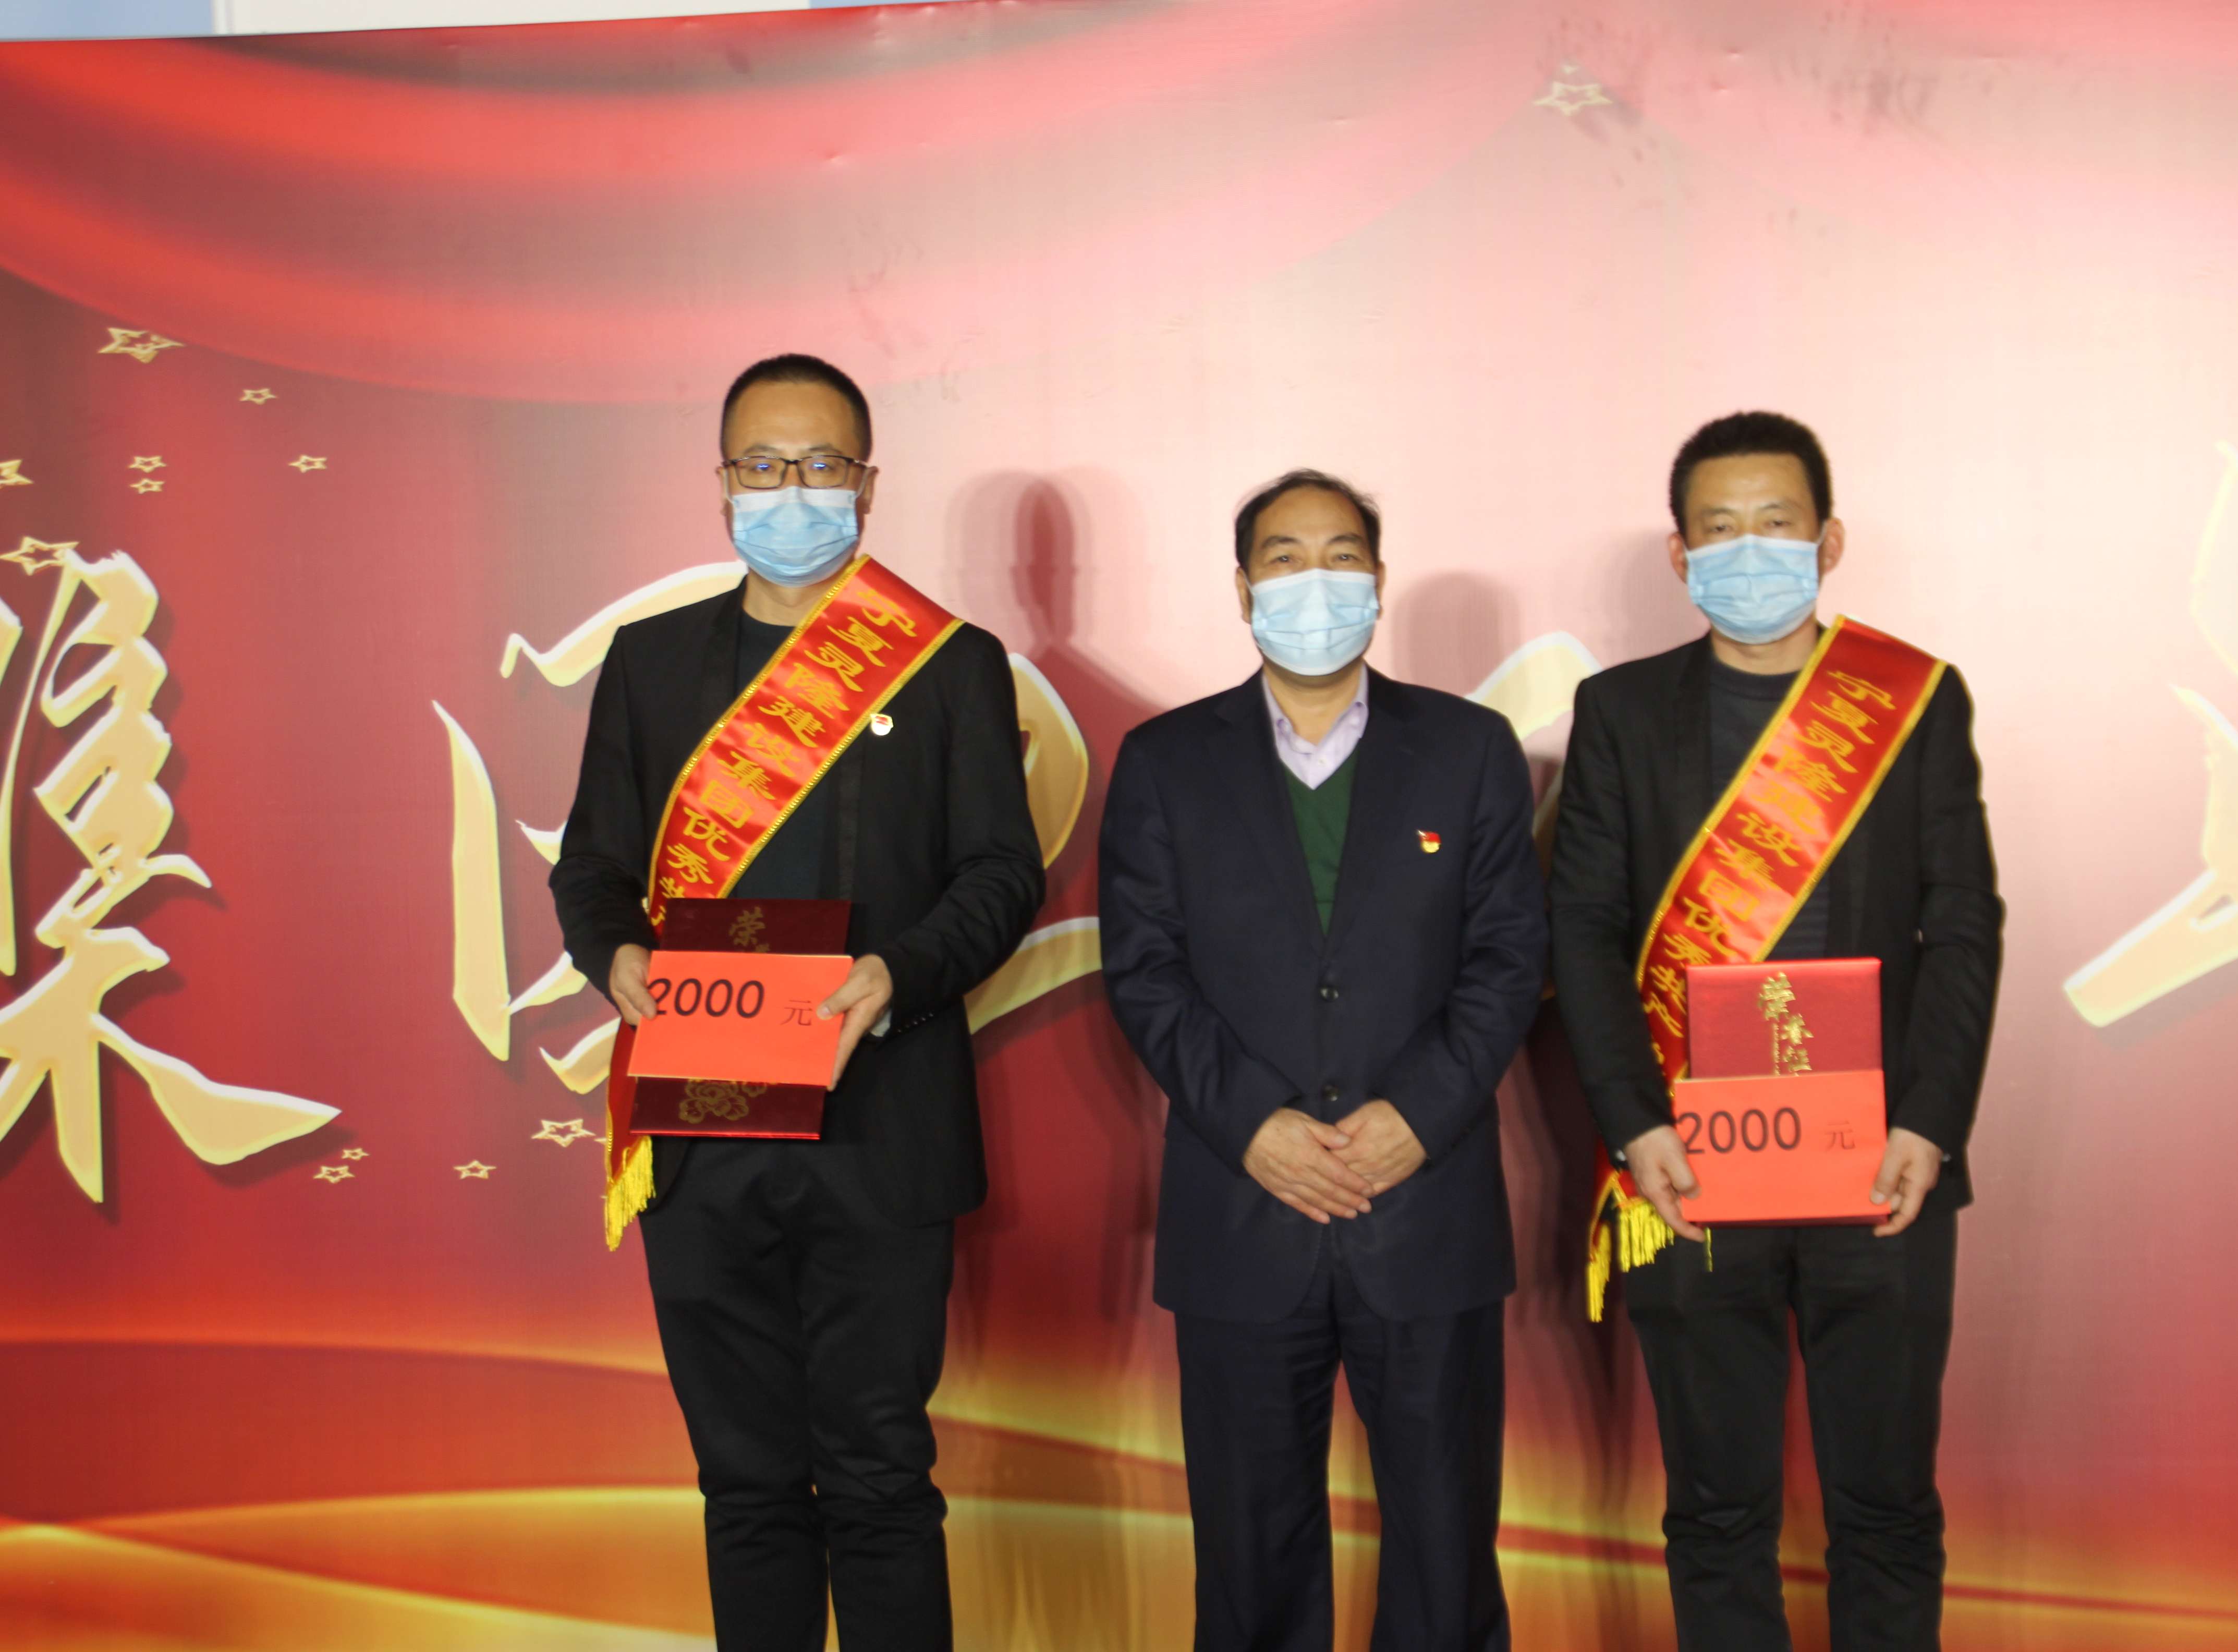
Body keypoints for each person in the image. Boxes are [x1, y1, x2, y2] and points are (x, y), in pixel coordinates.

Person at [551, 354, 1044, 1652]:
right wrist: (617, 957)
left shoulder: (948, 665)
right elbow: (591, 869)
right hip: (700, 1128)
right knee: (746, 1482)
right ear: (722, 483)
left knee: (880, 1475)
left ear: (867, 484)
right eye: (763, 466)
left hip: (883, 1123)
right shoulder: (652, 665)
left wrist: (902, 973)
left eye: (821, 465)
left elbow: (1003, 873)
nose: (792, 491)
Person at [1549, 412, 2002, 1650]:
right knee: (1716, 1512)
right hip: (1689, 1166)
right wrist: (1635, 1126)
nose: (1749, 552)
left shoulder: (1911, 701)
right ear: (1681, 555)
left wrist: (1929, 1123)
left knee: (1887, 1508)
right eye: (1720, 530)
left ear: (1828, 540)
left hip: (1882, 1169)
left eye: (1776, 525)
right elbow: (1581, 933)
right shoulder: (1620, 712)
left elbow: (1964, 926)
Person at [1098, 470, 1549, 1652]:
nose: (1316, 582)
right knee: (1251, 1566)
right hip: (1243, 1212)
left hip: (1426, 1210)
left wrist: (1418, 1116)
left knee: (1447, 1560)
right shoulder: (1165, 760)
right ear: (1243, 587)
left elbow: (1509, 961)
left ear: (1379, 582)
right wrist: (1255, 1127)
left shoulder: (1469, 749)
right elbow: (1145, 973)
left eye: (1342, 557)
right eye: (1285, 558)